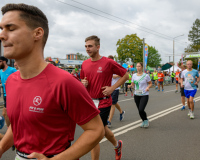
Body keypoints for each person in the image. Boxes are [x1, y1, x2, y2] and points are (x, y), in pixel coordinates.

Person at [0, 4, 105, 159]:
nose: (2, 35)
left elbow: (96, 130)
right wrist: (1, 148)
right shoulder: (11, 81)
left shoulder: (64, 82)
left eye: (11, 28)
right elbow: (17, 126)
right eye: (1, 29)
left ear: (37, 33)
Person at [80, 35, 128, 160]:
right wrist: (83, 83)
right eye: (86, 46)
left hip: (104, 102)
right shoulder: (84, 64)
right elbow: (83, 80)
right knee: (103, 129)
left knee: (94, 134)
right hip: (90, 102)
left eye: (90, 46)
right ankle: (117, 145)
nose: (87, 49)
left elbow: (126, 75)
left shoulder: (108, 62)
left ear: (98, 47)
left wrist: (112, 88)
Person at [128, 62, 152, 128]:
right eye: (137, 66)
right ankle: (143, 120)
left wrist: (148, 87)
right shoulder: (134, 75)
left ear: (141, 67)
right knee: (139, 110)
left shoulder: (146, 75)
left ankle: (146, 120)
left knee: (141, 109)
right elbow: (133, 84)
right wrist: (130, 86)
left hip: (144, 94)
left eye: (139, 66)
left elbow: (150, 83)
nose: (137, 67)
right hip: (137, 94)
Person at [107, 55, 126, 128]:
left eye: (110, 60)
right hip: (108, 88)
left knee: (112, 104)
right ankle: (121, 112)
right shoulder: (107, 68)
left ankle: (109, 121)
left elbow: (124, 75)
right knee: (113, 102)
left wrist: (116, 75)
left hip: (115, 88)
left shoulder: (116, 67)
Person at [0, 56, 17, 128]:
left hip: (13, 94)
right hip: (5, 94)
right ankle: (10, 129)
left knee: (6, 113)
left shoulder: (12, 70)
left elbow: (21, 79)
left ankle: (11, 129)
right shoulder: (0, 71)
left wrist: (11, 83)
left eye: (0, 61)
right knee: (6, 114)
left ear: (4, 61)